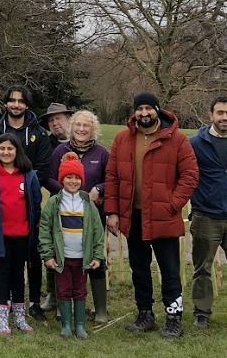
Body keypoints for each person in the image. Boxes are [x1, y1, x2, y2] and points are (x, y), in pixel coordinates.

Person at [105, 91, 199, 338]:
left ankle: (174, 318)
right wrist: (113, 211)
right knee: (139, 269)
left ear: (157, 110)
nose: (144, 113)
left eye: (148, 108)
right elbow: (112, 176)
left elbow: (190, 176)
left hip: (163, 216)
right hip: (133, 217)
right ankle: (145, 315)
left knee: (169, 270)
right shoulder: (122, 139)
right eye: (139, 109)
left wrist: (172, 204)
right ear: (134, 112)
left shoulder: (177, 139)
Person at [0, 85, 52, 321]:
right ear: (6, 103)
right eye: (12, 100)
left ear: (27, 105)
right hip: (2, 205)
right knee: (4, 261)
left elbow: (44, 168)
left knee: (32, 257)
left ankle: (34, 302)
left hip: (29, 204)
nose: (16, 105)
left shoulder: (38, 134)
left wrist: (24, 181)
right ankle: (3, 303)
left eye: (21, 101)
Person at [0, 133, 42, 336]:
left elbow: (36, 203)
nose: (6, 152)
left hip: (22, 234)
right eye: (2, 148)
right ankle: (2, 318)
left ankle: (20, 316)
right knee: (2, 274)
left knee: (18, 274)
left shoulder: (28, 175)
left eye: (10, 149)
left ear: (17, 151)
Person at [47, 110, 110, 322]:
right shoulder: (60, 151)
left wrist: (100, 189)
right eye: (78, 125)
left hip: (92, 217)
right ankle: (60, 304)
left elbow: (112, 179)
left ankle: (100, 309)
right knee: (61, 255)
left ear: (93, 129)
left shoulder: (102, 153)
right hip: (64, 215)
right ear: (71, 127)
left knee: (95, 257)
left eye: (87, 126)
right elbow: (48, 178)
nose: (82, 129)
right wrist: (66, 192)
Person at [39, 152, 105, 338]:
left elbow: (97, 232)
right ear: (62, 179)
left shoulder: (88, 203)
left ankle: (80, 325)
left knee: (80, 290)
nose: (73, 181)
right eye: (69, 177)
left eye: (77, 177)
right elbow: (45, 230)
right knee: (63, 289)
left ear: (82, 180)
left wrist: (97, 255)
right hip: (62, 258)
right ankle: (66, 325)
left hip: (82, 257)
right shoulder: (54, 203)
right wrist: (48, 255)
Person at [189, 96, 227, 328]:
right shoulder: (195, 143)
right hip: (207, 216)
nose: (225, 117)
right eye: (221, 112)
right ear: (210, 115)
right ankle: (202, 312)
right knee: (203, 267)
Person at [38, 102, 74, 314]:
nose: (55, 123)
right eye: (51, 120)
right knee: (53, 249)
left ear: (68, 119)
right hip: (56, 203)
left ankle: (78, 296)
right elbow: (44, 175)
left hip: (84, 204)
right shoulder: (47, 145)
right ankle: (53, 293)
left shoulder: (85, 139)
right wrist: (63, 191)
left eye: (59, 118)